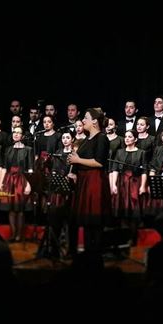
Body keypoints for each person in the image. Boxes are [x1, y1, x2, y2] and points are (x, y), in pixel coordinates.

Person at [67, 107, 111, 256]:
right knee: (85, 220)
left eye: (85, 117)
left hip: (94, 181)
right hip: (84, 181)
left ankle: (95, 253)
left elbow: (99, 162)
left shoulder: (101, 138)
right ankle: (86, 253)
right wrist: (74, 161)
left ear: (94, 121)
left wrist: (78, 160)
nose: (83, 120)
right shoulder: (86, 139)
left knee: (94, 219)